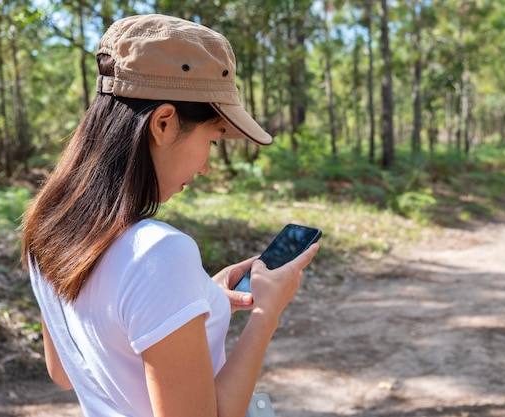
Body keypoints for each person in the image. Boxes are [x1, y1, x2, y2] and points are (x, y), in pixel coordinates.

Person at [20, 14, 319, 417]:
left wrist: (203, 296)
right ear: (163, 122)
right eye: (212, 139)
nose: (206, 166)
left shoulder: (50, 228)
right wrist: (266, 314)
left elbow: (64, 372)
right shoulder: (159, 253)